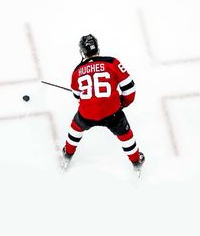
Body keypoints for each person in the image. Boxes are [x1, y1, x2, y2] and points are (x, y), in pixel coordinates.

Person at [62, 34, 145, 171]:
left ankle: (67, 154)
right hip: (112, 112)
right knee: (125, 134)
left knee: (75, 127)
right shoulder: (112, 63)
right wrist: (122, 103)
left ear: (82, 52)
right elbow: (130, 89)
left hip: (87, 113)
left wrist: (90, 101)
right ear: (98, 49)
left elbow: (77, 96)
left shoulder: (77, 70)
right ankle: (136, 161)